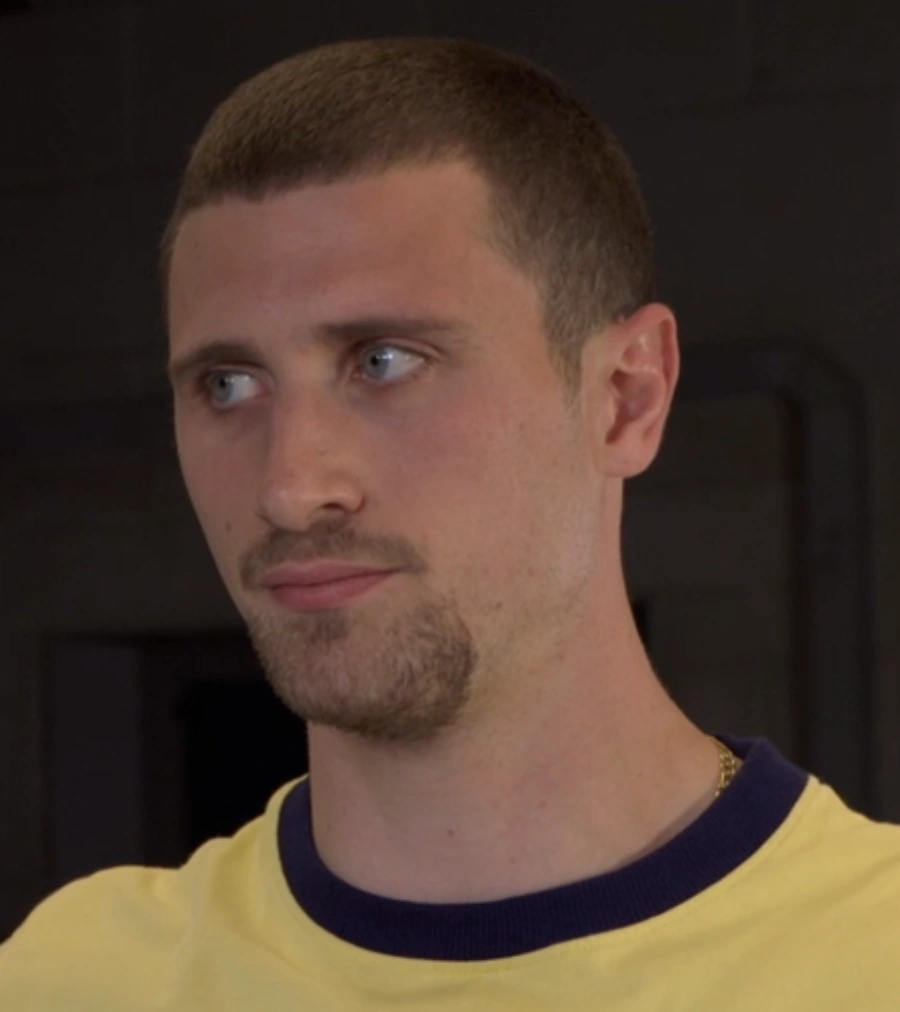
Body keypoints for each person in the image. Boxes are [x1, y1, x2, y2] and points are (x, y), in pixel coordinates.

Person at [2, 36, 898, 1010]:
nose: (290, 487)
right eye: (228, 384)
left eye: (384, 361)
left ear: (625, 398)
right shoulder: (75, 980)